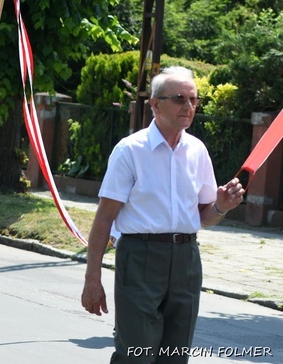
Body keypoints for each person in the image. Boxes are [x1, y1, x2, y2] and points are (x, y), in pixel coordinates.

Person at [80, 66, 245, 363]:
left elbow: (205, 216)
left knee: (175, 356)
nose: (189, 106)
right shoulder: (130, 151)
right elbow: (104, 218)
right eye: (180, 98)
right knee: (137, 354)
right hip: (140, 256)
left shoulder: (197, 150)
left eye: (194, 100)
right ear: (155, 104)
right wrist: (93, 278)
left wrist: (221, 205)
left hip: (186, 259)